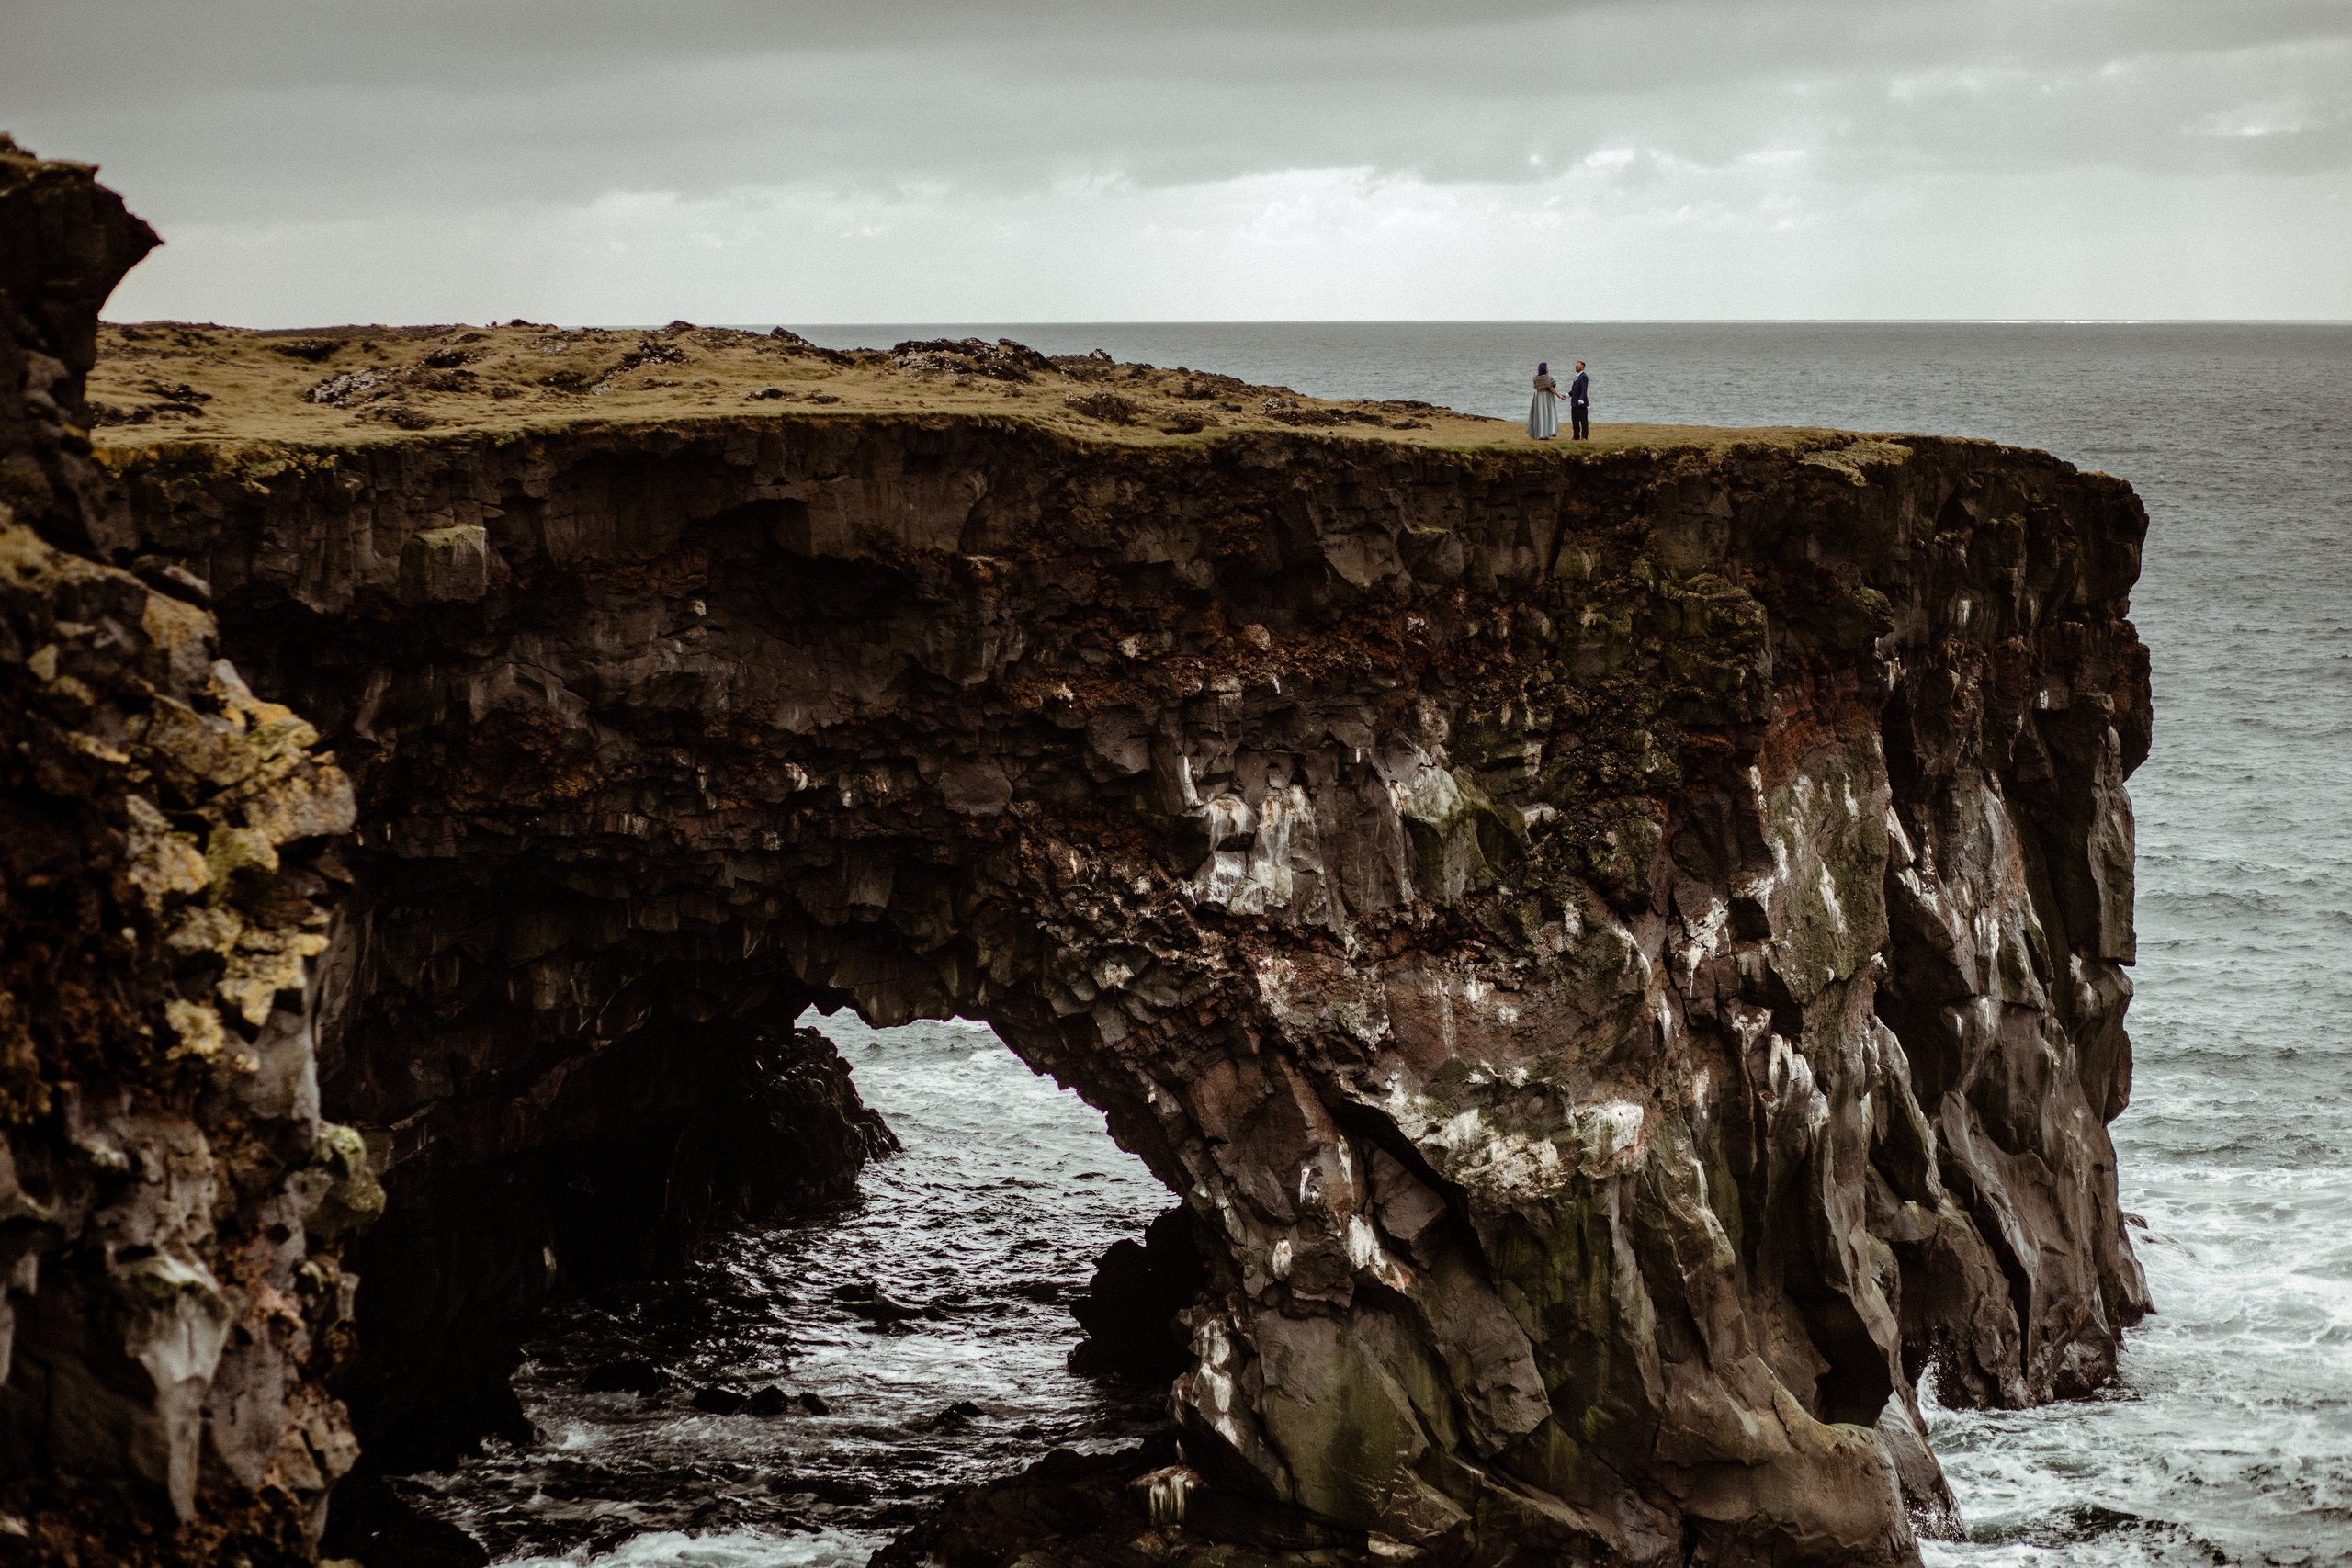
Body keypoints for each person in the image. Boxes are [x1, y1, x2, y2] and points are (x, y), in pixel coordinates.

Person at [1527, 362, 1560, 439]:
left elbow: (1535, 387)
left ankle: (1540, 432)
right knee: (1546, 414)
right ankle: (1545, 433)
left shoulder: (1536, 378)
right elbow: (1551, 388)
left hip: (1539, 396)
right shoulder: (1546, 377)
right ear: (1545, 368)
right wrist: (1558, 395)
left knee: (1539, 414)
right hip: (1546, 396)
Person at [1568, 361, 1589, 440]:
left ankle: (1584, 436)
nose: (1576, 367)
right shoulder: (1577, 376)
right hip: (1574, 402)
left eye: (1578, 366)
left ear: (1582, 367)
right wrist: (1567, 395)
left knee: (1583, 421)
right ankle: (1576, 435)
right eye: (1576, 365)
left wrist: (1581, 399)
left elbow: (1584, 389)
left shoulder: (1584, 376)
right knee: (1575, 420)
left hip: (1581, 403)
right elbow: (1574, 390)